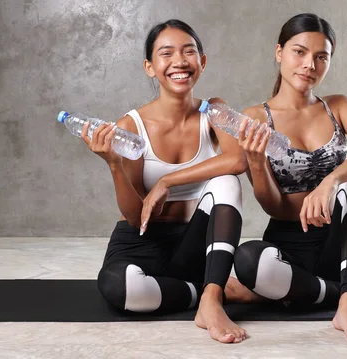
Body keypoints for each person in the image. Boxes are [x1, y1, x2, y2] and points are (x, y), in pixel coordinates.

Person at [231, 13, 347, 346]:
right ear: (279, 53)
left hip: (339, 244)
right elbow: (273, 206)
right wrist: (257, 163)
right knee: (247, 261)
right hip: (288, 250)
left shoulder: (339, 106)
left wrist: (330, 182)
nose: (309, 64)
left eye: (321, 56)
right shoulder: (256, 118)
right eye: (299, 52)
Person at [83, 19, 248, 344]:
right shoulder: (130, 125)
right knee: (118, 287)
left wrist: (167, 181)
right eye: (166, 53)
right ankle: (201, 293)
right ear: (150, 66)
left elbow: (237, 160)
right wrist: (114, 164)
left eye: (189, 52)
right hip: (140, 242)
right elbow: (134, 217)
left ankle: (211, 300)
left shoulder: (215, 111)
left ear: (202, 61)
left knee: (226, 181)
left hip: (193, 244)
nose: (179, 61)